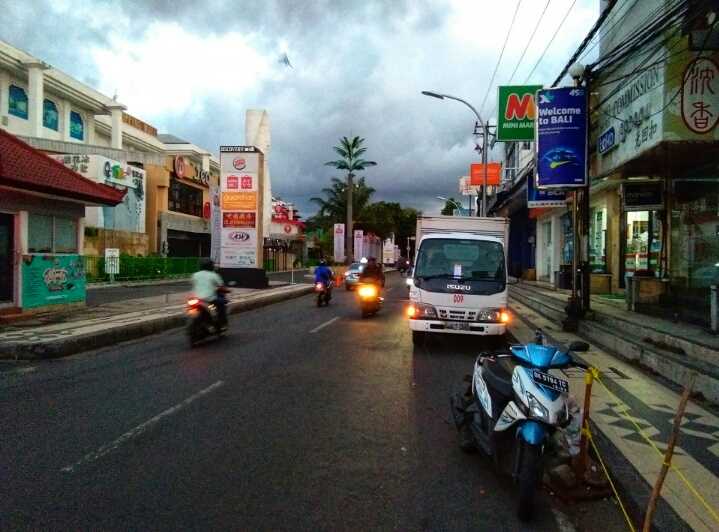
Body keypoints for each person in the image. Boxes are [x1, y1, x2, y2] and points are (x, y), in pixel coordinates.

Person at [191, 258, 228, 329]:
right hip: (209, 299)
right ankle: (223, 324)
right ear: (211, 266)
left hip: (196, 299)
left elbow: (193, 283)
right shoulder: (214, 275)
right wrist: (227, 290)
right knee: (222, 305)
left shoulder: (195, 274)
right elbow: (221, 286)